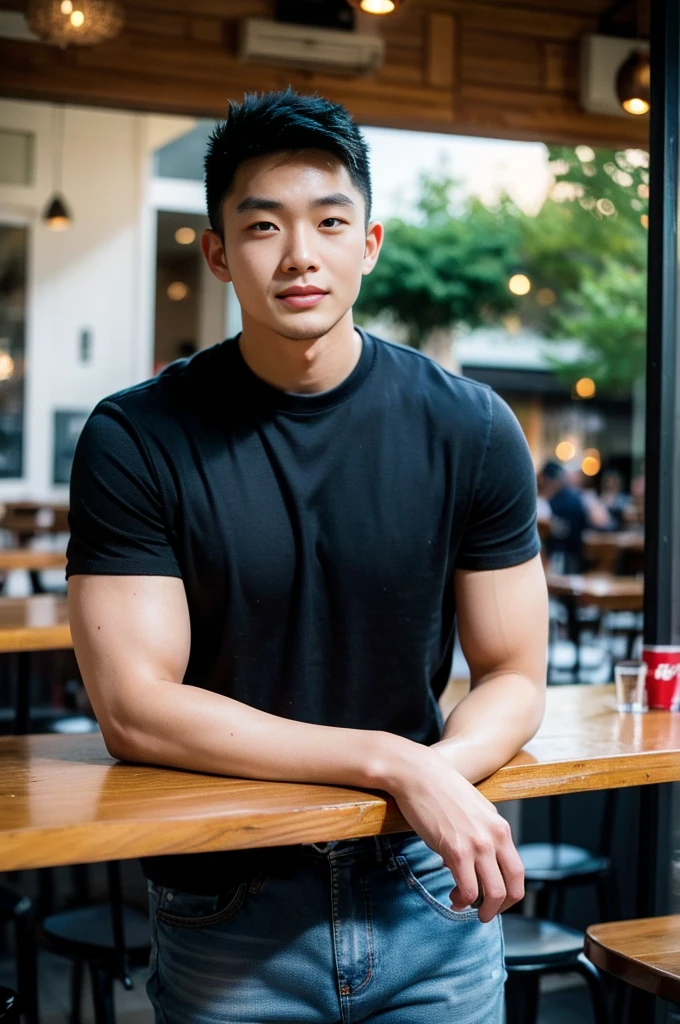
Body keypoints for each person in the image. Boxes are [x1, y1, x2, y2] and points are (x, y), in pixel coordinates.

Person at [66, 90, 548, 1024]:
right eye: (263, 226)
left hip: (430, 888)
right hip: (229, 898)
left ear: (368, 244)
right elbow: (136, 710)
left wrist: (433, 779)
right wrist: (392, 764)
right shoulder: (137, 436)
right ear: (216, 254)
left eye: (331, 222)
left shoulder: (471, 427)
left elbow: (514, 673)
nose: (300, 255)